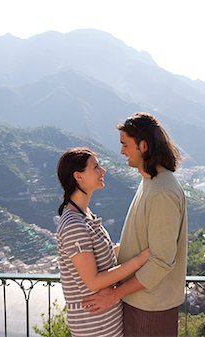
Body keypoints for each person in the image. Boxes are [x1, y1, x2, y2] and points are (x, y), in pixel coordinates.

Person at [82, 112, 188, 337]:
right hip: (142, 303)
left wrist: (114, 293)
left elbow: (161, 261)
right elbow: (140, 244)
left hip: (151, 309)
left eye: (125, 144)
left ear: (144, 145)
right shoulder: (150, 182)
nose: (121, 151)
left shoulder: (162, 191)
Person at [56, 146, 150, 337]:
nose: (103, 171)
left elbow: (105, 257)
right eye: (96, 167)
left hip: (105, 320)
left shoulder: (85, 216)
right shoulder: (74, 224)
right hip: (93, 324)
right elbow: (93, 282)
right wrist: (141, 259)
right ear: (78, 176)